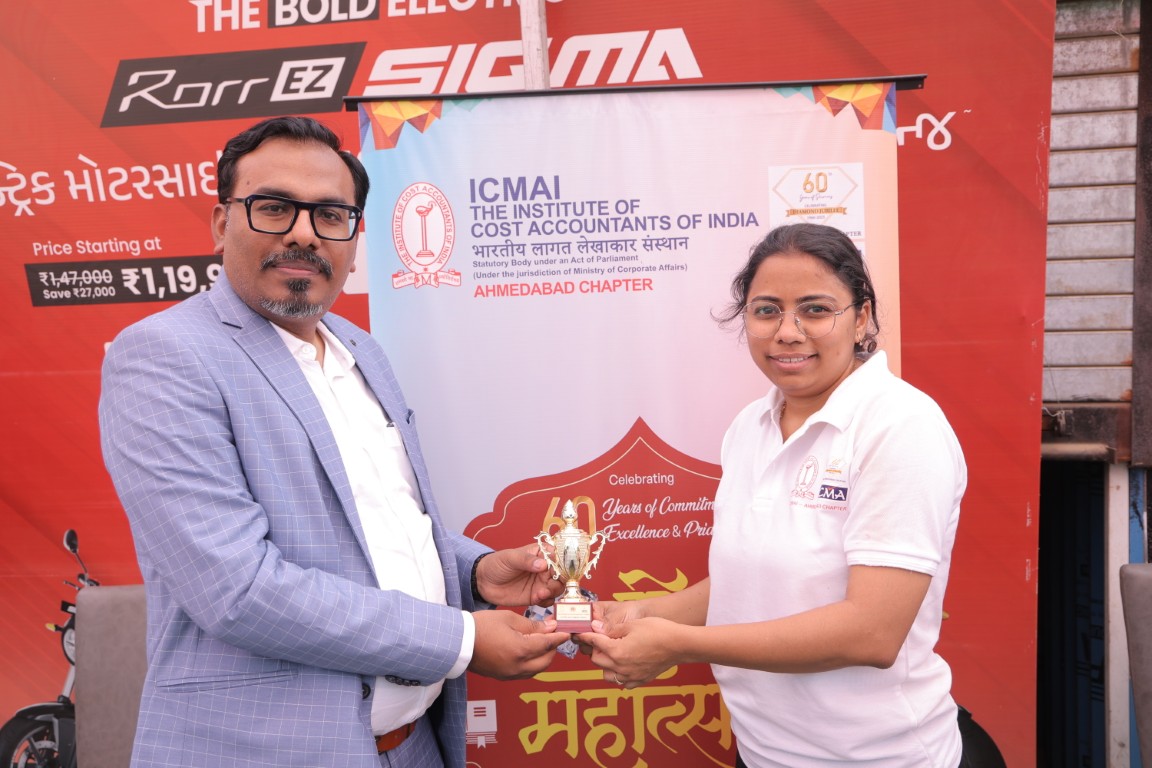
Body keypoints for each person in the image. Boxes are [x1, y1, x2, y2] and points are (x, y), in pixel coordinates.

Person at [98, 115, 568, 768]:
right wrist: (461, 638)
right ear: (221, 223)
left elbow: (380, 522)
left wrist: (474, 574)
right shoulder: (165, 356)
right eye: (274, 208)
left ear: (353, 236)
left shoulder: (359, 349)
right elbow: (238, 590)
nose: (303, 233)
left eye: (329, 214)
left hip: (414, 746)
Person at [579, 223, 978, 767]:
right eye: (766, 311)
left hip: (875, 757)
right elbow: (751, 582)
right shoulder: (750, 426)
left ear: (861, 318)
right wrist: (641, 612)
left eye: (815, 310)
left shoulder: (900, 426)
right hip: (763, 751)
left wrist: (677, 644)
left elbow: (872, 633)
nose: (788, 332)